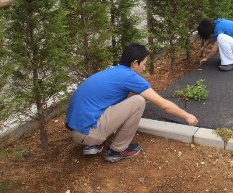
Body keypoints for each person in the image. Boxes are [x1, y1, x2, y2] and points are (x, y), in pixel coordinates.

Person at [65, 43, 198, 163]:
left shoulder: (112, 71)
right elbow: (164, 105)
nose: (144, 67)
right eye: (144, 63)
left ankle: (93, 145)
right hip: (87, 133)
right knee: (139, 101)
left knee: (111, 100)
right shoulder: (130, 77)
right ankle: (117, 150)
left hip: (75, 128)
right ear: (135, 63)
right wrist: (187, 116)